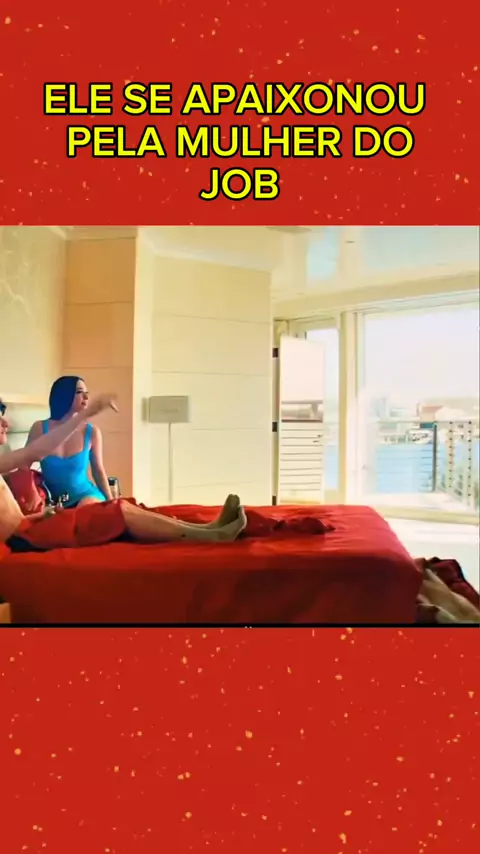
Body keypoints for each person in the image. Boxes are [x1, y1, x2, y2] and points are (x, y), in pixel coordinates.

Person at [0, 394, 247, 552]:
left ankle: (209, 529)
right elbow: (36, 452)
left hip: (31, 529)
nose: (6, 424)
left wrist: (42, 515)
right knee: (116, 512)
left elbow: (36, 452)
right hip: (27, 540)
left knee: (120, 507)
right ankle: (208, 536)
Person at [26, 375, 112, 507]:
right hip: (53, 502)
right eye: (79, 392)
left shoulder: (91, 432)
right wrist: (31, 492)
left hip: (86, 496)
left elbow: (98, 470)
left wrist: (112, 501)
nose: (86, 397)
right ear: (64, 395)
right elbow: (24, 466)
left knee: (86, 507)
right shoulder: (40, 428)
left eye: (86, 393)